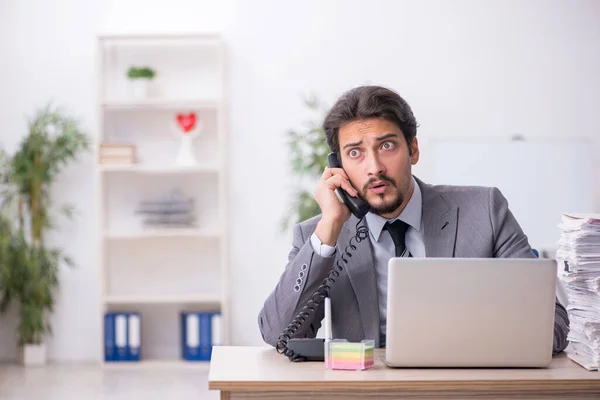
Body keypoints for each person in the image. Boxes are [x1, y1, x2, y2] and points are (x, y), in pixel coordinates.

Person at [258, 85, 569, 354]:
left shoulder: (485, 210)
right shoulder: (320, 235)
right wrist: (329, 229)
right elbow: (278, 335)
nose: (374, 167)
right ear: (338, 167)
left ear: (413, 149)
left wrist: (473, 346)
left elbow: (552, 324)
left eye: (387, 146)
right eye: (355, 153)